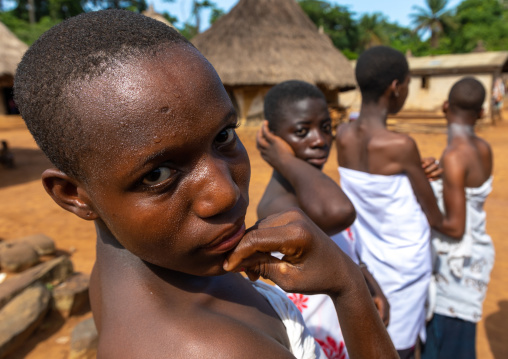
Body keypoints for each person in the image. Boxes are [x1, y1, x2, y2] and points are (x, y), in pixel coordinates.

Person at [14, 10, 397, 358]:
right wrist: (349, 288)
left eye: (223, 137)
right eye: (157, 175)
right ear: (74, 196)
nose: (225, 192)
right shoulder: (220, 350)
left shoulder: (123, 266)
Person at [257, 80, 390, 358]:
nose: (319, 140)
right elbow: (339, 212)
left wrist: (369, 287)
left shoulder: (313, 186)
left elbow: (343, 250)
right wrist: (284, 160)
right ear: (271, 135)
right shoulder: (277, 206)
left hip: (345, 324)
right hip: (317, 338)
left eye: (326, 128)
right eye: (302, 131)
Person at [335, 46, 446, 359]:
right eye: (409, 84)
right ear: (396, 87)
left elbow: (380, 184)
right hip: (405, 266)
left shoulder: (343, 134)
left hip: (367, 258)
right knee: (401, 347)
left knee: (370, 338)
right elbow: (435, 217)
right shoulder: (400, 145)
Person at [422, 78, 494, 359]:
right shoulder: (484, 147)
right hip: (476, 257)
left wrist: (424, 198)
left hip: (455, 272)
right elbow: (467, 187)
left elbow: (454, 227)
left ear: (444, 106)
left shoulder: (454, 156)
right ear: (482, 112)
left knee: (445, 348)